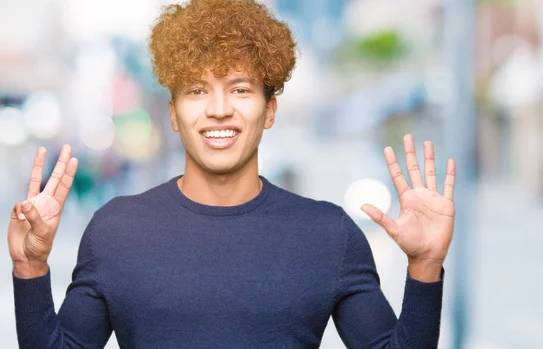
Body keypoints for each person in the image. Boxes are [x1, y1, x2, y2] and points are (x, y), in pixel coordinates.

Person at [8, 0, 456, 348]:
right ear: (174, 114)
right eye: (198, 90)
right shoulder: (116, 231)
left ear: (269, 111)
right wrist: (30, 266)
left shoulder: (329, 236)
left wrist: (425, 267)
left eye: (239, 89)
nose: (219, 109)